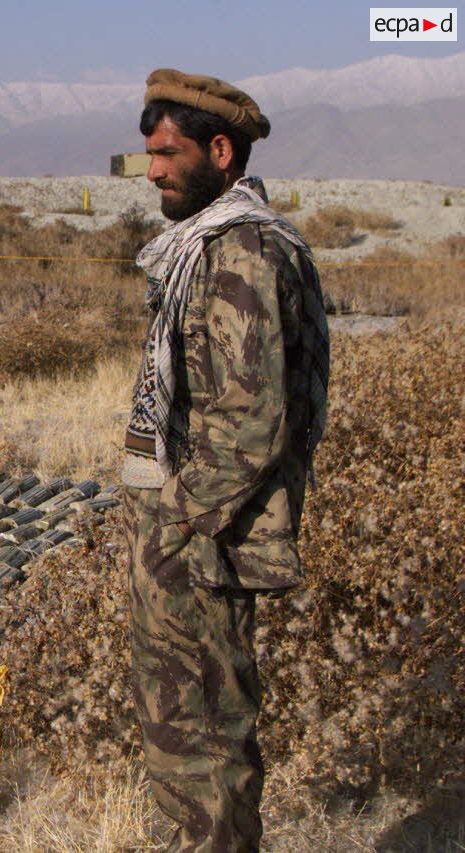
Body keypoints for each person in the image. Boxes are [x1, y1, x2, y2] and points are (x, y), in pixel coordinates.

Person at [121, 69, 330, 852]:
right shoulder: (205, 248)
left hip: (208, 544)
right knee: (188, 741)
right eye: (149, 154)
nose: (154, 171)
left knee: (206, 747)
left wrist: (170, 525)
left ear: (220, 151)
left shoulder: (241, 254)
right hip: (194, 535)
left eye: (168, 153)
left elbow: (250, 427)